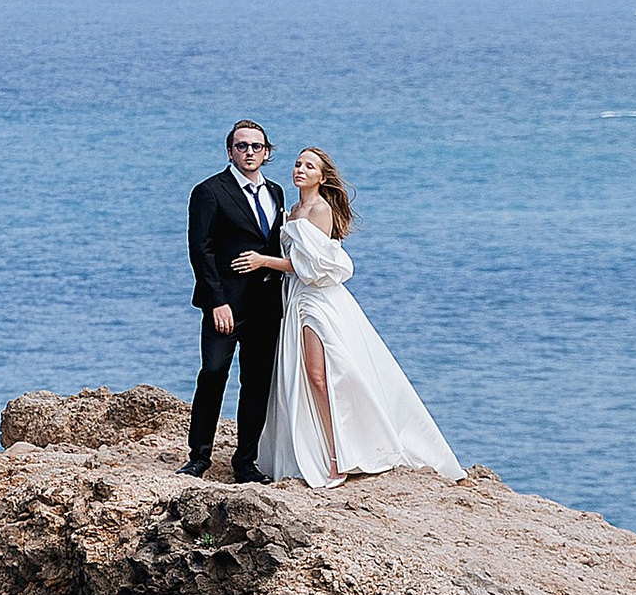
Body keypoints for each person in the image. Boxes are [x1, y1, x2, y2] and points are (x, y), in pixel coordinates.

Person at [238, 145, 460, 487]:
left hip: (316, 300)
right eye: (298, 164)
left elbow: (311, 269)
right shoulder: (293, 207)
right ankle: (315, 449)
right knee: (299, 376)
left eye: (309, 166)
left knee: (318, 375)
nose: (300, 169)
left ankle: (337, 457)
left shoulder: (319, 210)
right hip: (294, 298)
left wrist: (263, 262)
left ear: (321, 177)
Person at [186, 120, 288, 482]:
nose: (249, 152)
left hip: (265, 305)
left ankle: (245, 461)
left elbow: (273, 245)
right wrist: (216, 301)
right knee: (213, 374)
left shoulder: (276, 192)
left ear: (266, 152)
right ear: (230, 151)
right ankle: (199, 457)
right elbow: (201, 249)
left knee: (257, 382)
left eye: (256, 147)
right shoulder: (209, 191)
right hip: (224, 305)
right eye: (242, 146)